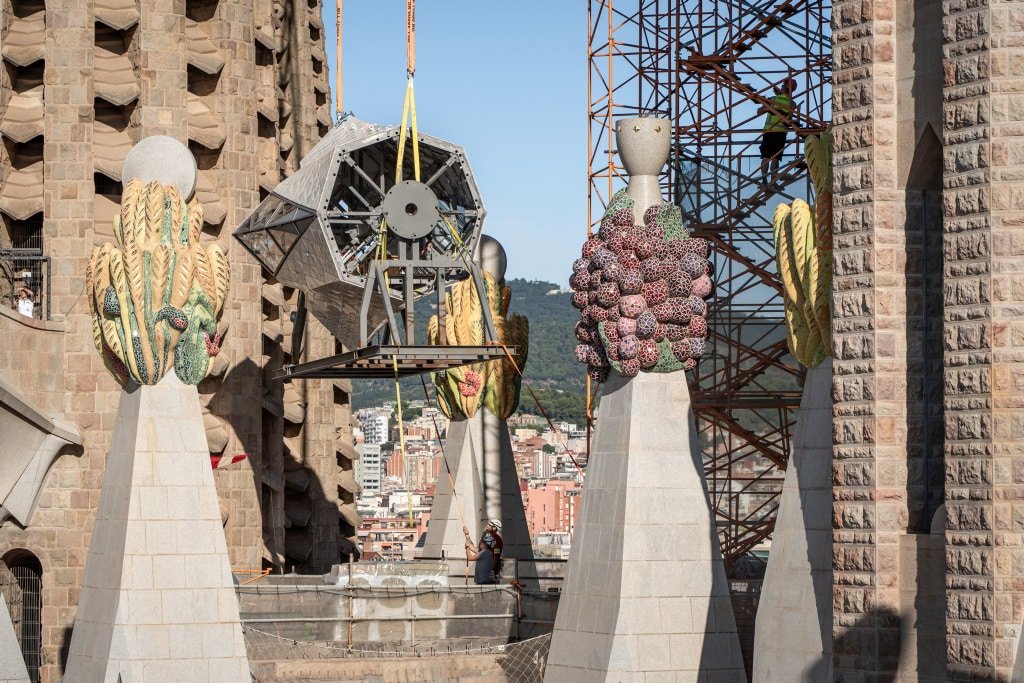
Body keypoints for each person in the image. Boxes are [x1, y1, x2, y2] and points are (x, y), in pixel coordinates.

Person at [758, 78, 797, 187]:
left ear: (787, 87)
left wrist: (768, 107)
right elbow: (759, 111)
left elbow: (759, 112)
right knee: (773, 158)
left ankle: (766, 180)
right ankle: (770, 181)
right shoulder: (790, 103)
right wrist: (767, 107)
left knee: (768, 158)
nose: (782, 87)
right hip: (778, 133)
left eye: (783, 86)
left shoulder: (775, 99)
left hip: (772, 133)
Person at [464, 519, 503, 585]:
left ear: (494, 528)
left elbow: (496, 557)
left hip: (486, 577)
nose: (487, 526)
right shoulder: (487, 537)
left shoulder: (497, 539)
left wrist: (491, 571)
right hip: (481, 576)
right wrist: (467, 535)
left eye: (490, 525)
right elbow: (477, 549)